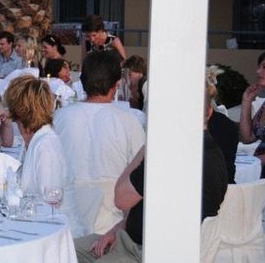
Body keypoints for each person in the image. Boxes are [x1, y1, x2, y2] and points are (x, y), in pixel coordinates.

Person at [75, 82, 228, 262]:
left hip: (147, 254)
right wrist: (116, 230)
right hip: (129, 241)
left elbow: (121, 199)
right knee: (65, 249)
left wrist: (151, 144)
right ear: (208, 112)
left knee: (60, 254)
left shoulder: (169, 156)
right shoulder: (213, 153)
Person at [53, 51, 145, 230]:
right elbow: (142, 179)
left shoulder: (59, 118)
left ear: (82, 82)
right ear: (117, 84)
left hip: (65, 223)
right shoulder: (130, 121)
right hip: (113, 226)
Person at [4, 75, 83, 237]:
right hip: (36, 228)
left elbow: (51, 204)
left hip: (57, 236)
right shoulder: (33, 140)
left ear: (17, 110)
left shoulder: (46, 146)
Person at [239, 50, 265, 180]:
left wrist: (261, 161)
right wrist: (246, 101)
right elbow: (247, 137)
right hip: (260, 170)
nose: (258, 72)